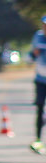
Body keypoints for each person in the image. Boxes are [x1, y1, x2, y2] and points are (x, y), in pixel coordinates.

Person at [31, 16, 46, 155]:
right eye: (44, 25)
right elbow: (31, 56)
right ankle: (38, 140)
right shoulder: (38, 36)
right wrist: (34, 53)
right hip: (41, 79)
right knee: (39, 108)